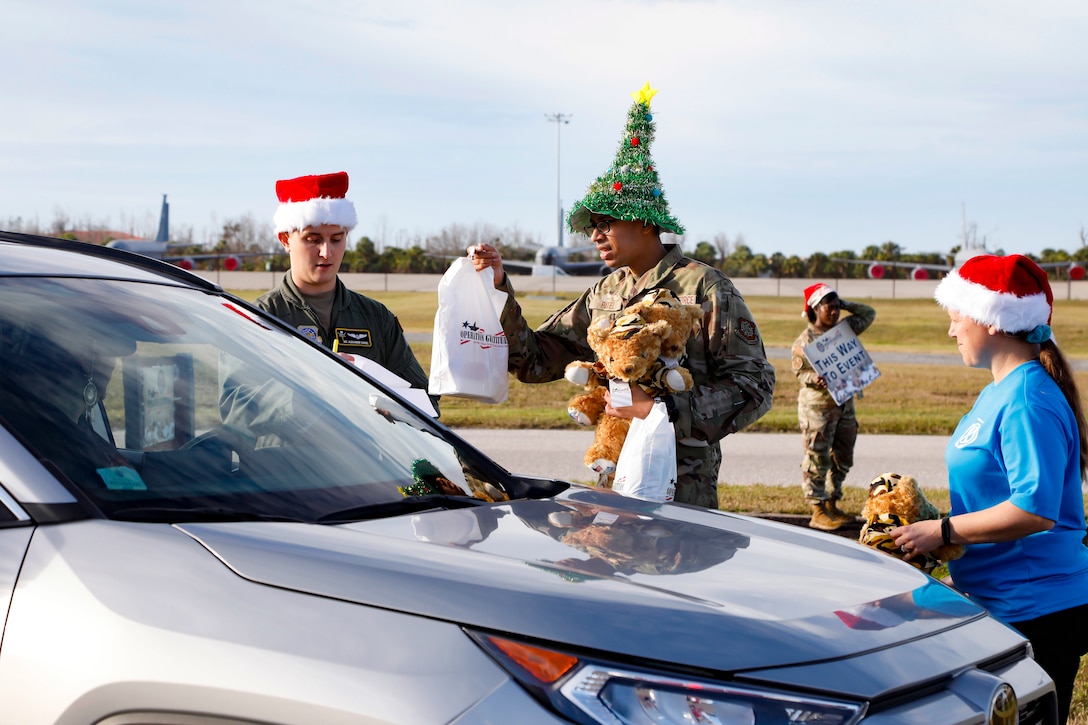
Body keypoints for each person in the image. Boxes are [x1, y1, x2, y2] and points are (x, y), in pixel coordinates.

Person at [470, 83, 775, 509]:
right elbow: (537, 358)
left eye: (606, 223)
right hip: (613, 475)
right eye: (591, 225)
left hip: (680, 487)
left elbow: (755, 384)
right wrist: (500, 288)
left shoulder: (704, 288)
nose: (595, 235)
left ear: (645, 223)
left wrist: (662, 410)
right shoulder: (605, 292)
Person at [889, 254, 1088, 723]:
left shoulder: (1027, 399)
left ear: (991, 320)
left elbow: (1034, 512)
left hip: (1036, 607)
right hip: (1001, 596)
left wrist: (943, 531)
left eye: (957, 318)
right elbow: (993, 497)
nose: (951, 331)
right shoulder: (999, 390)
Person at [261, 171, 438, 415]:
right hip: (287, 453)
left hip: (365, 453)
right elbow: (236, 409)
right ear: (285, 240)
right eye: (312, 239)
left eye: (336, 239)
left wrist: (390, 407)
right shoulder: (259, 318)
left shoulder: (376, 317)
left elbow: (425, 402)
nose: (326, 252)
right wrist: (311, 384)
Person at [791, 284, 876, 531]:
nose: (835, 311)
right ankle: (817, 509)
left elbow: (868, 314)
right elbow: (800, 371)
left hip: (844, 404)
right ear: (814, 309)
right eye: (829, 306)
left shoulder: (843, 331)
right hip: (818, 408)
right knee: (817, 456)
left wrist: (846, 302)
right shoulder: (804, 341)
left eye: (837, 307)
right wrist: (813, 378)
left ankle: (832, 501)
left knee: (843, 455)